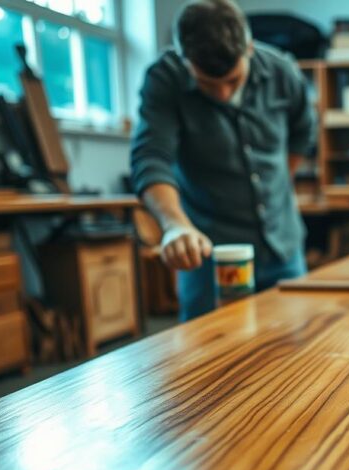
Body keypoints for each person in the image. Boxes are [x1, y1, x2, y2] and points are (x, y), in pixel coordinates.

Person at [131, 0, 316, 321]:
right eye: (208, 85)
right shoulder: (164, 80)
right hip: (208, 255)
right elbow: (151, 158)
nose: (223, 95)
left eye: (233, 81)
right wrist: (175, 226)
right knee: (206, 357)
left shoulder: (283, 72)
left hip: (282, 247)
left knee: (292, 351)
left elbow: (303, 133)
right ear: (183, 58)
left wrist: (277, 184)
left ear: (250, 48)